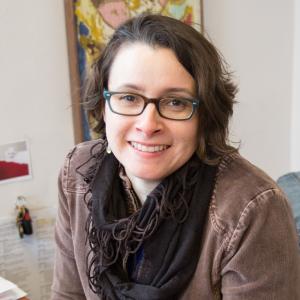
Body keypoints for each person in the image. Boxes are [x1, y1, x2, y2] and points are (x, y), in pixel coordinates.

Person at [51, 14, 300, 300]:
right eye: (129, 98)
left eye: (175, 102)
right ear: (104, 105)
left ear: (204, 116)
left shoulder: (253, 209)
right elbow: (68, 295)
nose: (147, 125)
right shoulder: (77, 172)